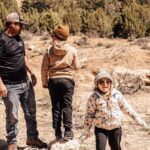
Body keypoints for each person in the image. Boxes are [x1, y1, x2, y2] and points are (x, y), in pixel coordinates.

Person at [0, 12, 47, 150]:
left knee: (30, 112)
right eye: (20, 24)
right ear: (12, 24)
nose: (22, 27)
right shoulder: (1, 40)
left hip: (25, 83)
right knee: (12, 116)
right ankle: (12, 143)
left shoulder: (19, 39)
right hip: (9, 86)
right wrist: (1, 84)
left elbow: (23, 57)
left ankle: (32, 138)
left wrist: (32, 72)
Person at [83, 70, 149, 150]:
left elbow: (127, 108)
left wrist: (138, 120)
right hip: (100, 128)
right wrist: (87, 129)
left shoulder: (117, 95)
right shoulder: (93, 98)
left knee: (116, 147)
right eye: (101, 82)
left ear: (111, 83)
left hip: (115, 127)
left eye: (108, 82)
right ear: (97, 84)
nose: (105, 84)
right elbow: (89, 114)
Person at [41, 25, 81, 141]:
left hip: (53, 81)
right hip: (67, 80)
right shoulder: (72, 50)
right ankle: (68, 131)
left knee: (56, 107)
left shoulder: (49, 50)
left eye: (52, 35)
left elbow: (44, 68)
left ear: (55, 36)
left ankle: (57, 131)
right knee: (67, 106)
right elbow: (76, 67)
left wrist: (44, 81)